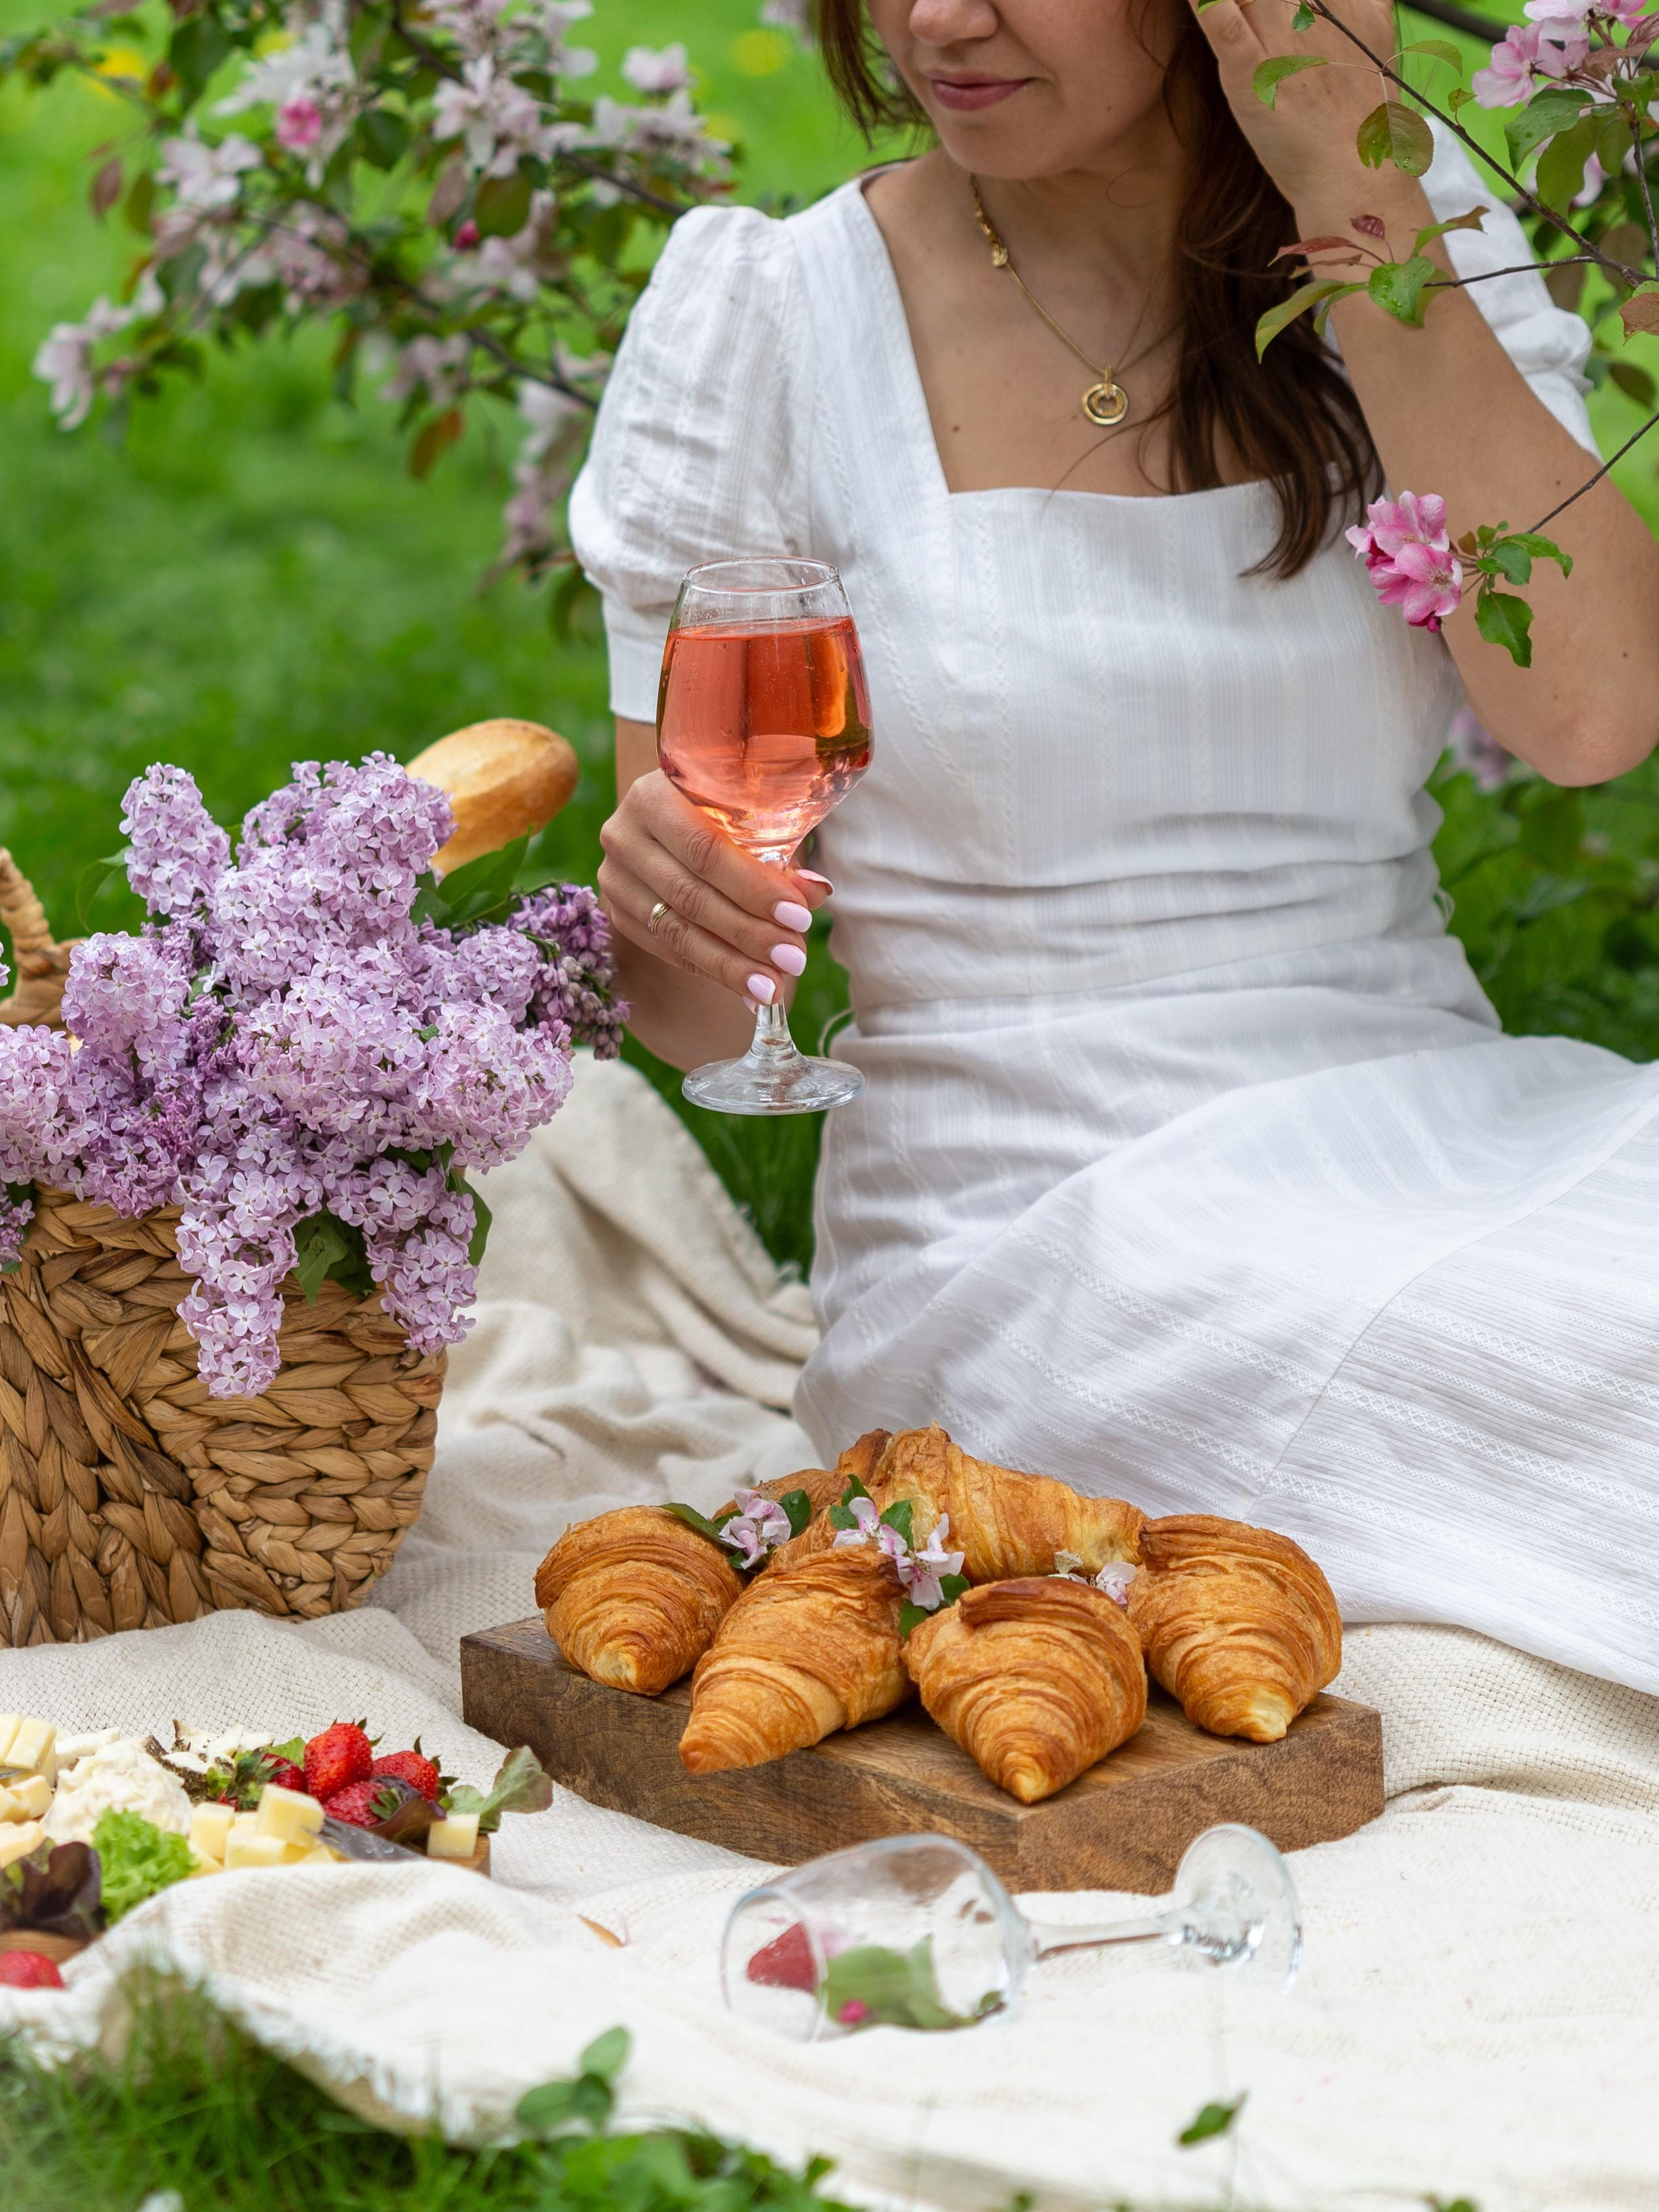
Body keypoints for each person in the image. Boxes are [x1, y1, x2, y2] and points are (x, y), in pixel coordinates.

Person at [572, 0, 1659, 1694]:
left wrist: (1348, 181)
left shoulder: (1391, 221)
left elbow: (1590, 714)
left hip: (1434, 1121)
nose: (939, 20)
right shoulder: (770, 317)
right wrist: (663, 895)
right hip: (1036, 1220)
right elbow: (699, 1016)